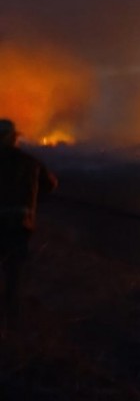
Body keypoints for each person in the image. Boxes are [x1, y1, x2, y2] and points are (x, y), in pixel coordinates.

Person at [0, 119, 58, 332]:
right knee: (13, 276)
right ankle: (12, 325)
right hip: (19, 226)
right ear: (12, 138)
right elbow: (50, 184)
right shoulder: (29, 162)